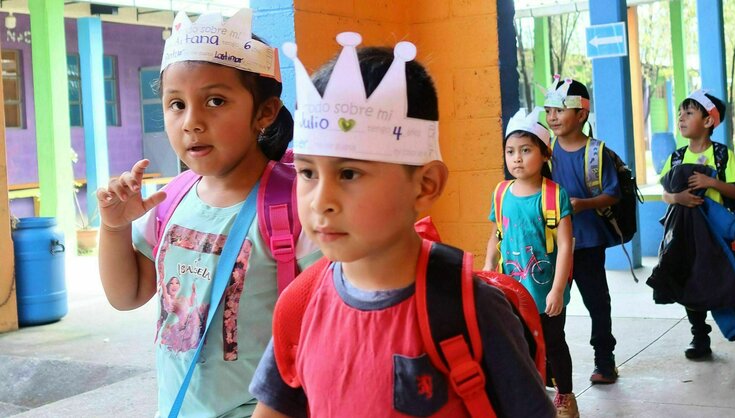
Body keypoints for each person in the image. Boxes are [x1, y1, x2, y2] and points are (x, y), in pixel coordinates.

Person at [248, 33, 555, 418]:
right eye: (307, 172)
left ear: (425, 186)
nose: (320, 200)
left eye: (348, 173)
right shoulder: (299, 305)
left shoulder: (471, 310)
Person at [96, 9, 317, 416]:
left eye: (215, 101)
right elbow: (126, 295)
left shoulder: (296, 205)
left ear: (265, 113)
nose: (192, 122)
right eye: (176, 104)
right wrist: (114, 228)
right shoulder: (170, 202)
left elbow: (324, 329)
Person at [483, 108, 577, 417]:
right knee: (519, 346)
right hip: (510, 291)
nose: (517, 158)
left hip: (543, 292)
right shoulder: (501, 192)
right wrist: (486, 271)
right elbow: (496, 236)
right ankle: (531, 398)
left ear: (545, 154)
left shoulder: (553, 196)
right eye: (511, 151)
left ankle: (564, 396)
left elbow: (566, 245)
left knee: (553, 343)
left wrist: (558, 290)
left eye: (526, 150)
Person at [657, 90, 735, 360]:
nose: (681, 118)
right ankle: (700, 337)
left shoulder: (721, 155)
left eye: (689, 113)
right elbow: (665, 192)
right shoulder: (676, 157)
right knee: (691, 281)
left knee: (723, 275)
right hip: (687, 233)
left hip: (717, 232)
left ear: (708, 121)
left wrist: (712, 183)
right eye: (680, 113)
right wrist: (677, 197)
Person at [545, 77, 621, 384]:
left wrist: (584, 204)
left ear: (581, 114)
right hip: (552, 244)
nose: (552, 117)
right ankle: (550, 365)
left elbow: (613, 194)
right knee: (552, 304)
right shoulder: (545, 151)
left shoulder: (597, 153)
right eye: (548, 110)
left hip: (588, 243)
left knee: (596, 303)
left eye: (560, 110)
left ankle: (605, 361)